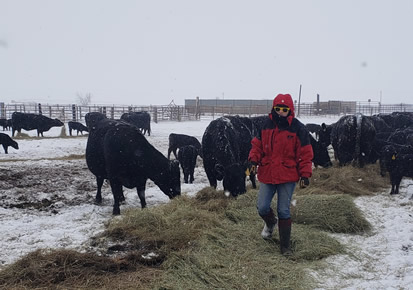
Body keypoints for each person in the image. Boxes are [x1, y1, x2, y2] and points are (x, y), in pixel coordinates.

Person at [248, 93, 313, 255]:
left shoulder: (298, 128)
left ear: (290, 110)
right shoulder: (266, 125)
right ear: (273, 109)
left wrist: (305, 174)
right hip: (268, 172)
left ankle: (285, 247)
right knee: (262, 206)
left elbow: (305, 153)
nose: (280, 112)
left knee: (283, 209)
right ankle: (270, 223)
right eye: (278, 108)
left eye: (284, 109)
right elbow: (257, 146)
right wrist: (252, 161)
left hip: (288, 175)